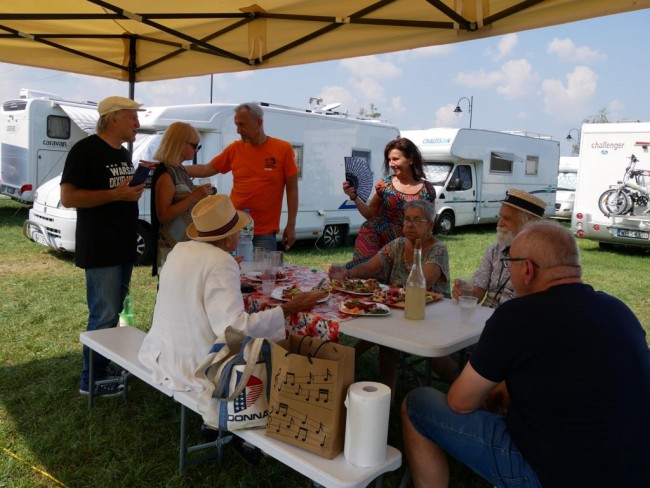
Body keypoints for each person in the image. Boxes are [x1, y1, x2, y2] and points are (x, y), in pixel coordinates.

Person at [402, 220, 650, 488]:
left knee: (418, 403)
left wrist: (494, 390)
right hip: (636, 472)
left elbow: (460, 402)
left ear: (527, 270)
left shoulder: (517, 316)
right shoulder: (619, 310)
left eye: (510, 263)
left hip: (551, 476)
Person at [138, 194, 326, 393]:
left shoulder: (180, 249)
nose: (240, 233)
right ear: (228, 239)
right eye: (238, 230)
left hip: (164, 352)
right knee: (268, 351)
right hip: (194, 364)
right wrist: (288, 309)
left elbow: (197, 278)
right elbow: (234, 328)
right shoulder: (220, 261)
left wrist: (224, 267)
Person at [60, 95, 146, 397]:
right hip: (100, 246)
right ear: (113, 118)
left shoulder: (122, 153)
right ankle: (91, 380)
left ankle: (102, 368)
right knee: (104, 313)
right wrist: (116, 195)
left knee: (114, 311)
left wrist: (131, 191)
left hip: (122, 244)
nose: (137, 123)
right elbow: (68, 198)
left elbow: (120, 192)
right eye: (132, 117)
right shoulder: (85, 150)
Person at [329, 200, 454, 397]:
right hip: (397, 307)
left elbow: (423, 282)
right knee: (382, 327)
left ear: (430, 225)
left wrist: (395, 296)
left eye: (416, 220)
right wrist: (348, 273)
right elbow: (369, 267)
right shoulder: (398, 244)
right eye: (407, 219)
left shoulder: (438, 249)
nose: (409, 224)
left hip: (431, 313)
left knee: (394, 334)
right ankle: (385, 388)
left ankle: (470, 386)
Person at [186, 102, 298, 251]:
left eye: (242, 125)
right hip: (234, 229)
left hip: (264, 232)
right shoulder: (235, 149)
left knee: (262, 267)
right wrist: (172, 167)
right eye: (236, 125)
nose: (238, 130)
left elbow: (292, 189)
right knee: (231, 267)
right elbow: (206, 169)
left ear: (258, 123)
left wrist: (291, 225)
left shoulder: (283, 149)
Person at [343, 137, 436, 269]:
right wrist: (353, 197)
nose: (391, 164)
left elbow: (429, 223)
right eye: (389, 160)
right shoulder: (385, 185)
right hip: (375, 238)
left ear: (411, 159)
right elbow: (370, 214)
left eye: (395, 159)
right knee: (364, 274)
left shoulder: (427, 190)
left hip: (408, 244)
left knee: (403, 280)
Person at [452, 188, 546, 307]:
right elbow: (478, 293)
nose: (499, 224)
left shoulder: (542, 259)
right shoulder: (495, 249)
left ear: (527, 224)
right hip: (487, 314)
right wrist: (464, 291)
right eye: (500, 217)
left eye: (507, 218)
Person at [149, 121, 214, 276]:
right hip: (171, 248)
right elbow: (163, 215)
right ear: (179, 143)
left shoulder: (180, 170)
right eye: (194, 146)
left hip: (184, 246)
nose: (196, 150)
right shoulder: (166, 173)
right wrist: (194, 197)